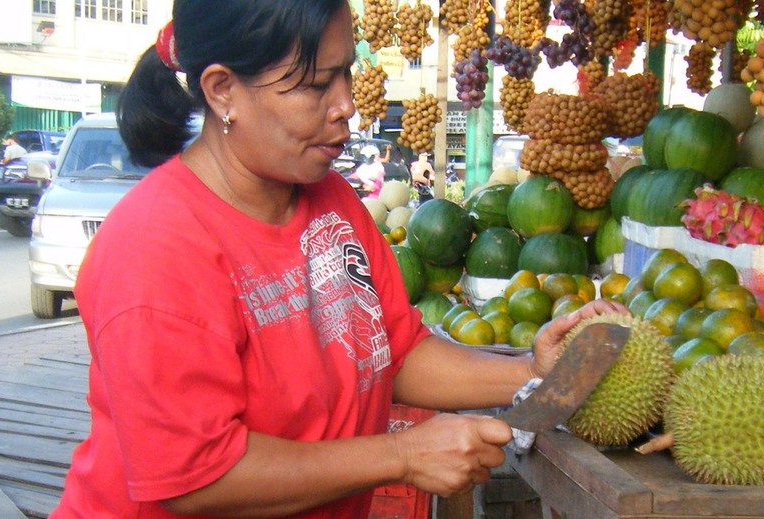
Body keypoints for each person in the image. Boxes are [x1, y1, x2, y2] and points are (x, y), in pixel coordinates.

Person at [52, 2, 625, 518]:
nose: (347, 105)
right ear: (223, 90)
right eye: (315, 84)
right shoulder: (154, 250)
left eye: (346, 73)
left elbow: (391, 350)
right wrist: (403, 455)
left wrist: (531, 372)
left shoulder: (328, 200)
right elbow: (198, 476)